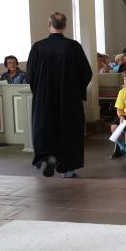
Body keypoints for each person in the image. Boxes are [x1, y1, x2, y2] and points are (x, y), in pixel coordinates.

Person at [26, 12, 92, 178]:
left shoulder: (38, 47)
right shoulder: (73, 47)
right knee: (69, 130)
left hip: (44, 98)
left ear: (49, 24)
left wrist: (40, 92)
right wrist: (76, 90)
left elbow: (30, 75)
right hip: (69, 99)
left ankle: (49, 156)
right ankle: (67, 169)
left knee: (44, 128)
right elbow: (86, 73)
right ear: (65, 25)